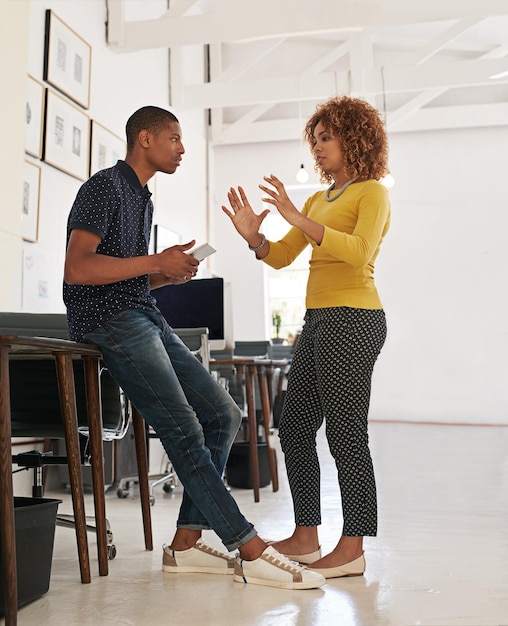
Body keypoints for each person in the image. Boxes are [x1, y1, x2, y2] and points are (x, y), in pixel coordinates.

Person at [63, 105, 325, 591]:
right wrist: (153, 261)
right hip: (109, 322)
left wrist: (167, 272)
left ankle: (184, 543)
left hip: (140, 313)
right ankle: (248, 546)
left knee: (224, 414)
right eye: (175, 139)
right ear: (145, 139)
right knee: (183, 426)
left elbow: (129, 280)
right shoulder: (103, 186)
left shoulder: (142, 198)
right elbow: (77, 270)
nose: (183, 149)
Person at [222, 95, 390, 579]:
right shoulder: (318, 201)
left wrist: (299, 218)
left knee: (344, 432)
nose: (317, 148)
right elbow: (279, 256)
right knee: (293, 428)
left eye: (326, 138)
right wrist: (254, 237)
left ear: (353, 138)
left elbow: (358, 254)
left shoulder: (372, 194)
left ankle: (353, 545)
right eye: (313, 141)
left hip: (355, 318)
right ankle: (306, 536)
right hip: (318, 320)